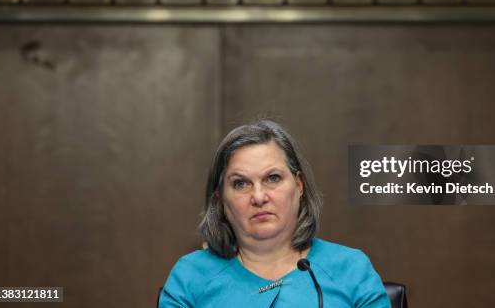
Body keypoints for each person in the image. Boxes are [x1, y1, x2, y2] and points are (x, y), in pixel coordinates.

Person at [159, 119, 391, 307]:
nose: (259, 197)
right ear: (220, 200)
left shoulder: (351, 269)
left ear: (299, 186)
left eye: (273, 178)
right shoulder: (191, 276)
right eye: (241, 183)